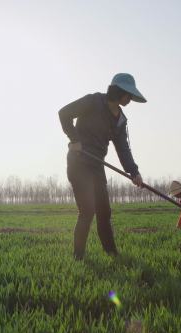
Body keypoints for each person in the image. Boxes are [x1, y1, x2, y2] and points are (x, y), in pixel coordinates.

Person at [58, 73, 146, 260]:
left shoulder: (121, 120)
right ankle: (78, 256)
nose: (130, 99)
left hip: (96, 165)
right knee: (88, 210)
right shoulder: (93, 102)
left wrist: (134, 171)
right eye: (128, 95)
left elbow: (123, 148)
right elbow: (64, 114)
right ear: (119, 92)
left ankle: (111, 253)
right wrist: (74, 139)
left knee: (104, 211)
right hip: (78, 161)